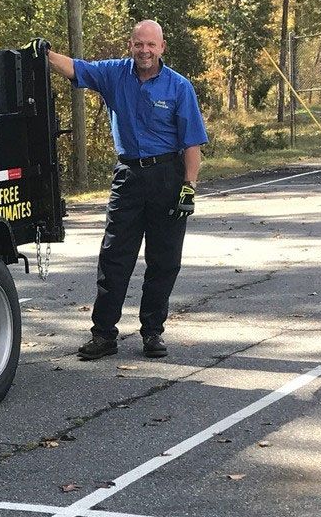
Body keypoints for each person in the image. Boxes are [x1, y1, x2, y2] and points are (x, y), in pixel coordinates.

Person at [26, 20, 208, 360]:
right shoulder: (114, 75)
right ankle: (103, 335)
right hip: (128, 177)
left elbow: (192, 143)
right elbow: (78, 70)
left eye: (151, 45)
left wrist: (189, 187)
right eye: (139, 44)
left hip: (168, 177)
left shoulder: (179, 87)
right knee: (114, 259)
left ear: (162, 48)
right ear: (130, 45)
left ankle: (152, 332)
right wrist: (46, 54)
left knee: (164, 261)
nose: (145, 51)